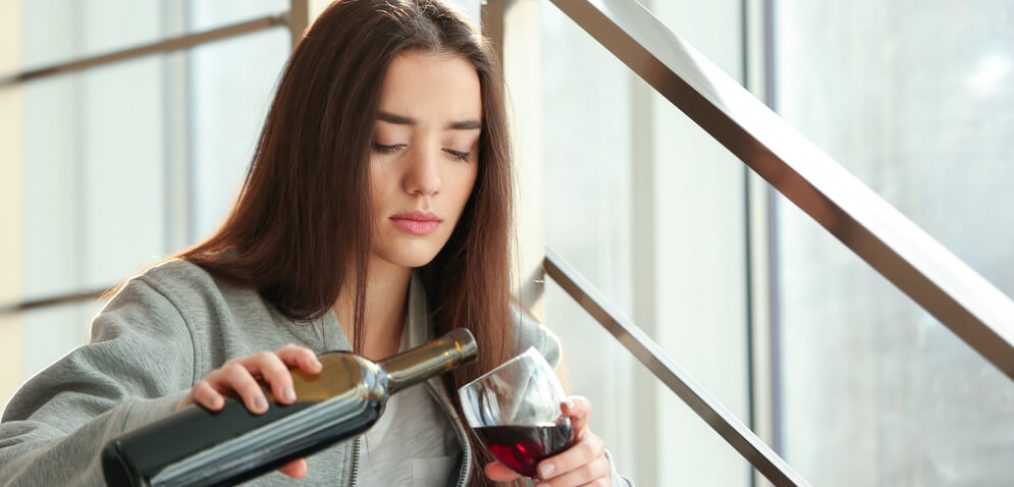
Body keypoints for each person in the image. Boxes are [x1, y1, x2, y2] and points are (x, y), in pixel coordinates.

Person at [0, 0, 631, 485]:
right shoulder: (188, 315)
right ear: (318, 143)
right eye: (387, 142)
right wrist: (179, 426)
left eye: (458, 149)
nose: (427, 182)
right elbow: (19, 466)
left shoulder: (510, 350)